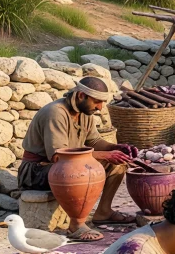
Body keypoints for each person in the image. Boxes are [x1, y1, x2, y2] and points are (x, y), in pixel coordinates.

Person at [19, 76, 138, 241]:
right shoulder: (56, 112)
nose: (100, 107)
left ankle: (103, 212)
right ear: (82, 96)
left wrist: (115, 148)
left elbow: (94, 141)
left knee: (117, 164)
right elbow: (59, 155)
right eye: (97, 102)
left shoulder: (85, 112)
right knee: (80, 170)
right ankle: (76, 225)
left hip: (60, 166)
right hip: (36, 171)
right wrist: (105, 155)